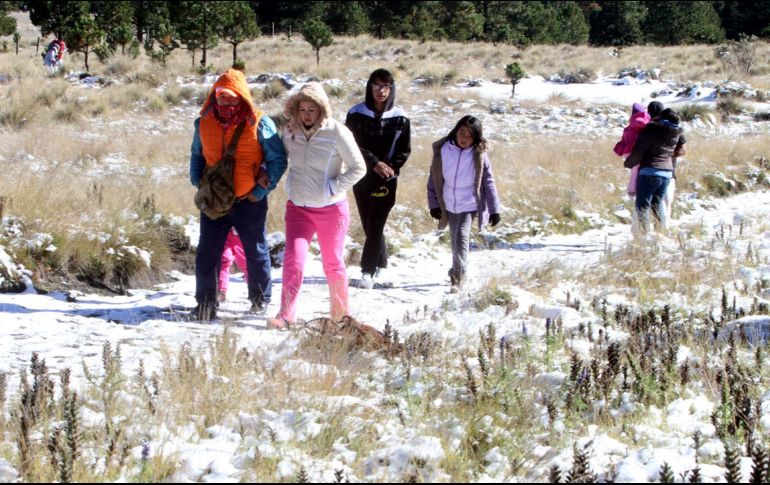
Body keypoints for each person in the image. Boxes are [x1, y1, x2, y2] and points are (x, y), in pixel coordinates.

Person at [189, 68, 287, 321]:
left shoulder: (259, 122)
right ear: (215, 96)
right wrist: (198, 182)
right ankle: (205, 303)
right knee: (208, 252)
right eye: (222, 96)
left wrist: (261, 190)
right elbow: (197, 155)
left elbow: (277, 159)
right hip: (215, 200)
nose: (227, 101)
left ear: (243, 96)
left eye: (233, 96)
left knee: (255, 250)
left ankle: (260, 300)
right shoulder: (203, 122)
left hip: (249, 200)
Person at [266, 83, 366, 329]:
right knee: (293, 261)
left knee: (332, 262)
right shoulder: (291, 132)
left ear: (322, 109)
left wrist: (333, 187)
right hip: (298, 208)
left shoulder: (337, 132)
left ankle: (340, 316)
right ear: (295, 111)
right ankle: (285, 315)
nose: (307, 114)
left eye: (312, 109)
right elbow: (278, 157)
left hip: (331, 209)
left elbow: (359, 168)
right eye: (302, 109)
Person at [346, 68, 411, 290]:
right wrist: (375, 163)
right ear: (369, 87)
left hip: (387, 180)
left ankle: (366, 272)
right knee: (368, 224)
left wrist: (390, 168)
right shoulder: (355, 113)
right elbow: (352, 144)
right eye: (376, 85)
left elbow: (404, 149)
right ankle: (382, 265)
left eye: (385, 86)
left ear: (391, 89)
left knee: (376, 225)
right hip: (361, 176)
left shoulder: (401, 117)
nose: (380, 90)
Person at [427, 115, 501, 292]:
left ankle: (458, 278)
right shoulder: (444, 150)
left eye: (469, 135)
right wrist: (434, 204)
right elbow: (434, 178)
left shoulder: (479, 155)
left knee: (461, 237)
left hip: (469, 204)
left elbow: (488, 181)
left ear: (476, 137)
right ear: (455, 131)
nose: (464, 138)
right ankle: (456, 269)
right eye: (461, 132)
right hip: (449, 203)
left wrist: (494, 209)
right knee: (454, 240)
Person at [624, 108, 685, 234]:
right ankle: (660, 234)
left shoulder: (650, 132)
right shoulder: (675, 134)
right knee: (657, 204)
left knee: (642, 206)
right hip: (667, 173)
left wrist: (629, 163)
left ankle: (644, 237)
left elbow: (638, 152)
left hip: (649, 172)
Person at [218, 228, 247, 302]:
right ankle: (221, 290)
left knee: (246, 264)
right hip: (224, 231)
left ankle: (254, 290)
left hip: (242, 233)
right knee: (223, 260)